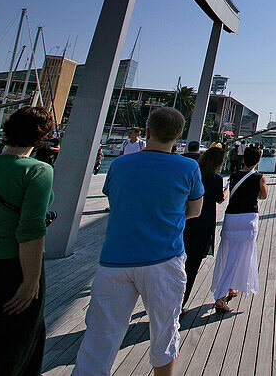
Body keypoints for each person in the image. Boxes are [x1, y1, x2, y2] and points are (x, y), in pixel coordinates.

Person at [74, 108, 204, 376]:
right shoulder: (189, 167)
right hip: (163, 259)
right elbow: (195, 211)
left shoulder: (120, 165)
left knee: (100, 335)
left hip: (114, 260)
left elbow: (115, 200)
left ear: (146, 132)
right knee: (164, 331)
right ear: (179, 135)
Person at [0, 105, 55, 376]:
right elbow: (30, 229)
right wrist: (31, 280)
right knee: (20, 342)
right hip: (14, 267)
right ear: (41, 137)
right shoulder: (37, 171)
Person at [211, 146, 268, 314]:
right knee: (239, 256)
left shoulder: (234, 175)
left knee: (228, 254)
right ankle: (220, 297)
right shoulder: (259, 177)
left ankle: (231, 286)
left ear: (243, 159)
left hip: (231, 218)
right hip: (247, 220)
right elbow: (263, 195)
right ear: (258, 160)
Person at [183, 146, 225, 305]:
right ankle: (181, 303)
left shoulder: (192, 175)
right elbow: (219, 198)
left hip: (185, 222)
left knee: (178, 261)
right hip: (204, 223)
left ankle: (164, 300)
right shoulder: (216, 179)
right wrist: (226, 191)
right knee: (192, 267)